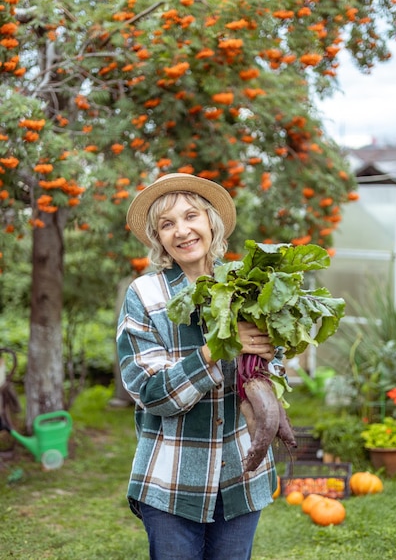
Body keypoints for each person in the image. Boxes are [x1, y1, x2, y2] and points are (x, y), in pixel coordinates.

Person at [117, 173, 286, 560]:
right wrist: (216, 349)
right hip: (171, 479)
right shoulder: (145, 295)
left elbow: (274, 373)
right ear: (158, 238)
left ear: (211, 221)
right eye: (167, 224)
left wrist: (270, 359)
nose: (182, 231)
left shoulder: (248, 285)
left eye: (191, 216)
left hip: (243, 475)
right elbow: (150, 393)